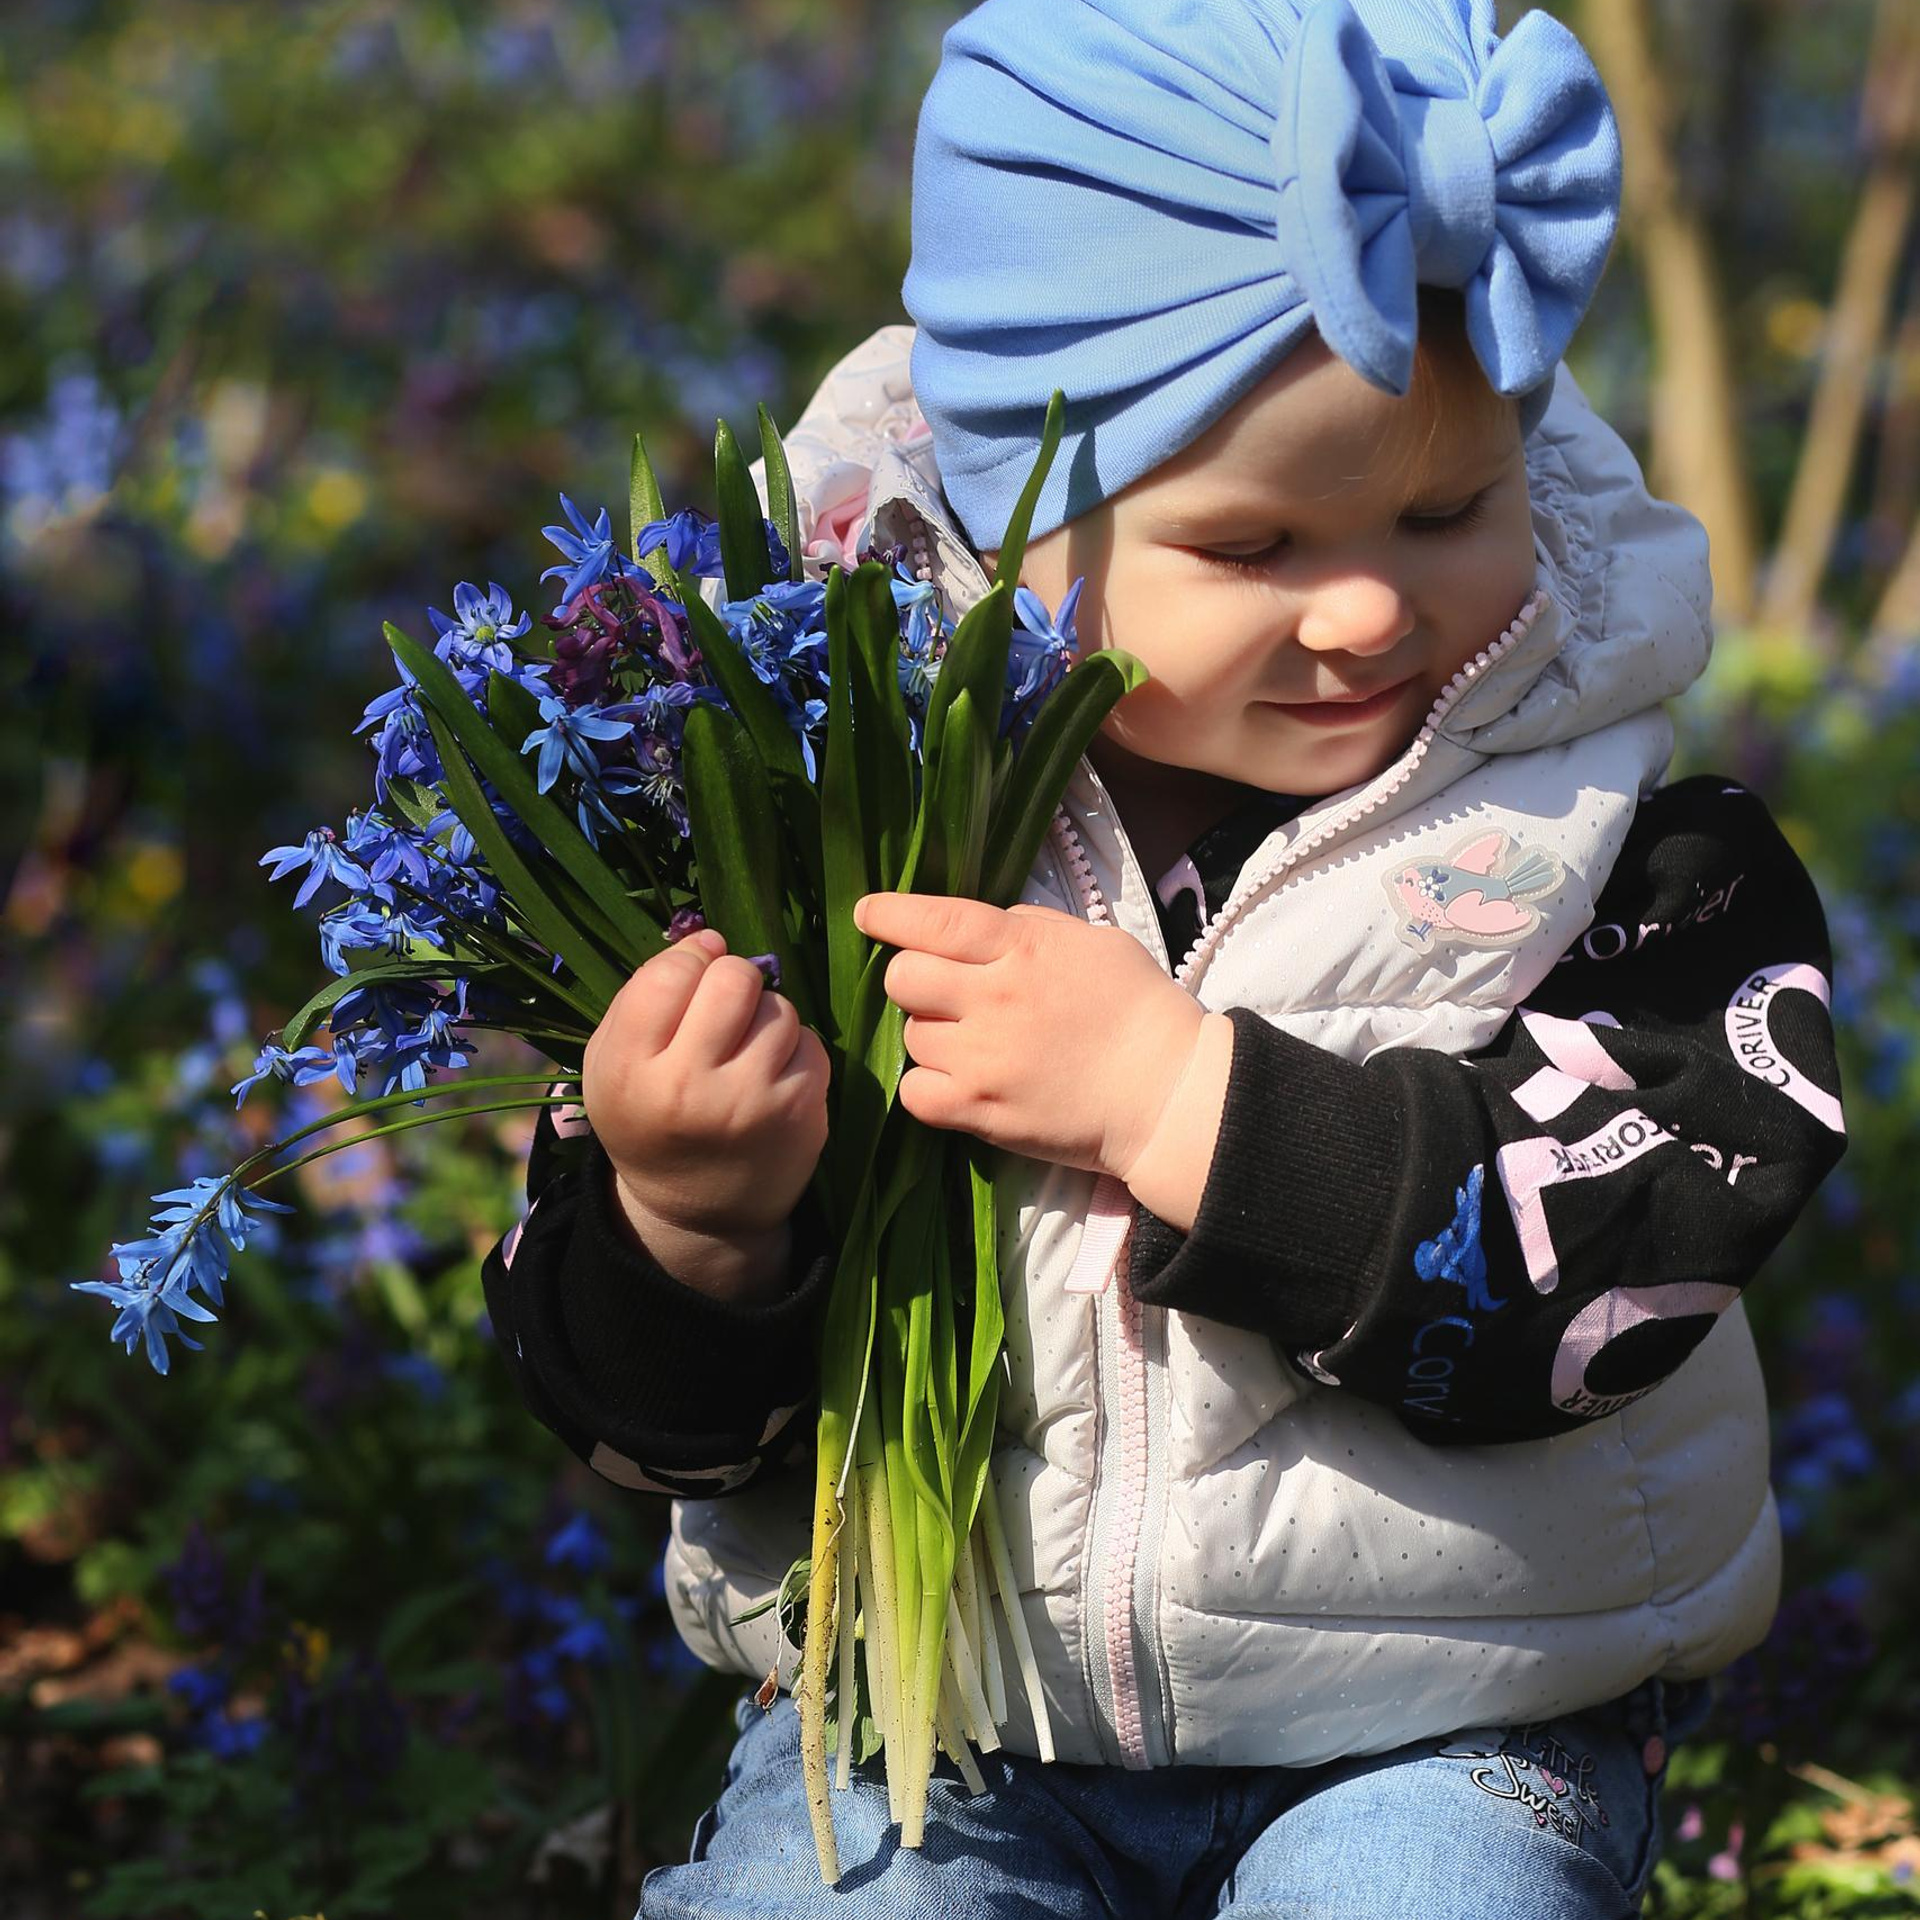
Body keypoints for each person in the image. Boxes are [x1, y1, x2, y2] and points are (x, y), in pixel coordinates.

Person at [481, 2, 1849, 1912]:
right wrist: (693, 1216)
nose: (1370, 600)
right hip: (927, 1726)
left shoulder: (1623, 845)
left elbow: (1627, 1268)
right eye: (1255, 542)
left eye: (1450, 507)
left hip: (1456, 1718)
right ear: (1009, 516)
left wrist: (1182, 1100)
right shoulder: (801, 815)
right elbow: (644, 1430)